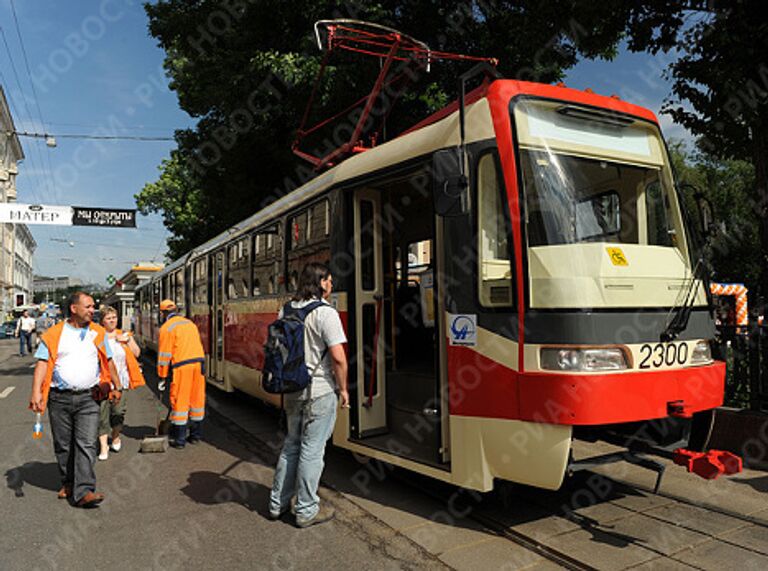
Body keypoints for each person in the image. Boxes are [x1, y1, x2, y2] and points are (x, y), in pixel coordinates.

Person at [269, 262, 349, 528]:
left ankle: (277, 503)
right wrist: (344, 389)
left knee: (291, 444)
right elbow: (338, 358)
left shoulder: (287, 309)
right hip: (319, 390)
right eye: (329, 280)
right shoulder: (326, 313)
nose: (332, 284)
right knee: (312, 450)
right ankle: (305, 509)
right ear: (320, 282)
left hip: (292, 389)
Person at [28, 292, 120, 508]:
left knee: (87, 443)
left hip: (89, 398)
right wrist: (36, 393)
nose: (92, 310)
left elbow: (108, 361)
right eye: (88, 306)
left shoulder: (97, 332)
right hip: (59, 398)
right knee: (64, 445)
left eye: (93, 307)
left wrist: (117, 386)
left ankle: (85, 490)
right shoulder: (54, 334)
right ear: (74, 308)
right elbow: (42, 364)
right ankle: (68, 483)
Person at [97, 306, 145, 461]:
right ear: (102, 321)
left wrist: (128, 339)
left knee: (118, 412)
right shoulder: (97, 336)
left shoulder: (123, 335)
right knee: (102, 415)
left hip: (122, 381)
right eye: (108, 318)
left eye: (114, 317)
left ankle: (115, 436)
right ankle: (104, 446)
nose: (112, 321)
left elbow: (137, 353)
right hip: (103, 381)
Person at [157, 299, 206, 448]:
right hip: (199, 364)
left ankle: (179, 440)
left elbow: (164, 356)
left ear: (162, 313)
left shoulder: (167, 328)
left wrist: (162, 376)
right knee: (197, 401)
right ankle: (195, 436)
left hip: (182, 366)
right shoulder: (189, 324)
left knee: (180, 401)